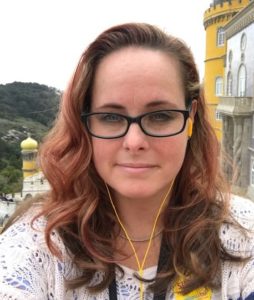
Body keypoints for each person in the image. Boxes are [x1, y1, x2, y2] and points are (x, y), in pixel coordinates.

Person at [0, 23, 254, 300]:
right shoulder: (39, 243)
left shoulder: (243, 235)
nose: (134, 142)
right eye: (111, 117)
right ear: (85, 124)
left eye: (160, 115)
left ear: (190, 118)